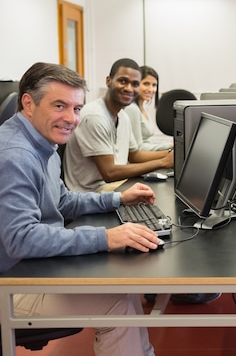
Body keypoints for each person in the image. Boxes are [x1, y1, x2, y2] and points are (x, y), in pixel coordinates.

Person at [0, 62, 163, 356]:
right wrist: (107, 238)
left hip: (31, 268)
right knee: (118, 304)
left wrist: (118, 199)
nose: (71, 118)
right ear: (28, 103)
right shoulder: (16, 156)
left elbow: (61, 201)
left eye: (76, 108)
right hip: (12, 283)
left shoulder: (42, 142)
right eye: (59, 105)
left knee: (123, 289)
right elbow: (20, 238)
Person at [64, 58, 174, 193]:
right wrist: (163, 162)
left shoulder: (123, 116)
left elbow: (135, 156)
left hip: (115, 186)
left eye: (135, 84)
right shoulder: (94, 116)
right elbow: (109, 173)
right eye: (123, 81)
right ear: (108, 81)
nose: (129, 88)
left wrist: (171, 155)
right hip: (92, 194)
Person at [125, 65, 172, 151]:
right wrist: (169, 145)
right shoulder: (132, 109)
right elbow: (138, 148)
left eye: (154, 85)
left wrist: (170, 143)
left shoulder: (144, 106)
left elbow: (148, 141)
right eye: (146, 84)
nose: (151, 89)